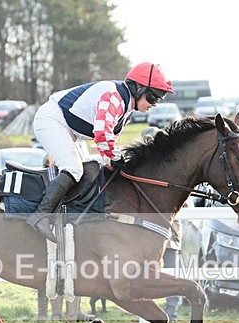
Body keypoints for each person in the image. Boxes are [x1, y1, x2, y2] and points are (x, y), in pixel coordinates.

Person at [27, 62, 174, 241]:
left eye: (158, 99)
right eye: (153, 98)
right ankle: (40, 216)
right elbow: (102, 134)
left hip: (66, 129)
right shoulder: (114, 95)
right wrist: (117, 158)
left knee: (86, 171)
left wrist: (114, 163)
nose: (154, 104)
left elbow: (108, 146)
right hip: (51, 120)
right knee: (74, 169)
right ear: (138, 88)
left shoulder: (126, 110)